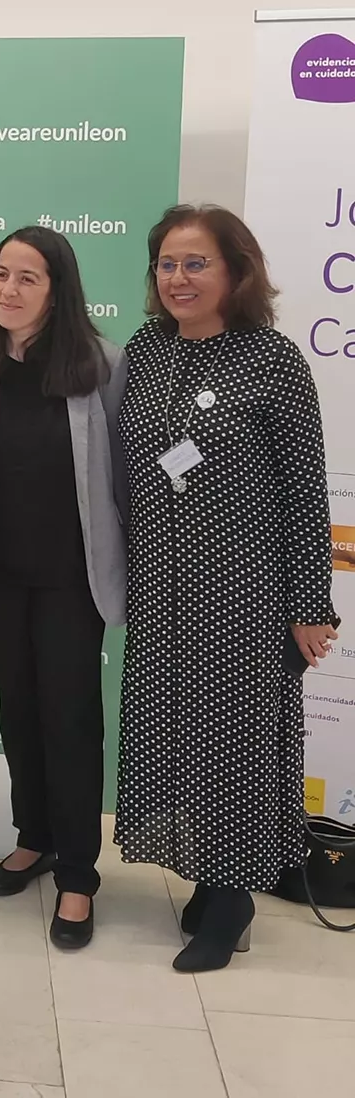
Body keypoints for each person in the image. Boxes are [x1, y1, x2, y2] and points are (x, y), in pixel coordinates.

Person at [116, 204, 338, 972]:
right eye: (167, 264)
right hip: (160, 590)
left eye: (195, 263)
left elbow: (306, 492)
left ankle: (234, 897)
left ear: (236, 271)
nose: (178, 278)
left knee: (235, 743)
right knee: (175, 735)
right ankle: (209, 878)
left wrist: (311, 606)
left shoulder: (272, 360)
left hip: (245, 592)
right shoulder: (146, 351)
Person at [0, 226, 127, 950]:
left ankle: (78, 871)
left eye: (28, 279)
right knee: (18, 711)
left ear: (58, 290)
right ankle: (35, 835)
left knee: (70, 719)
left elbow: (126, 480)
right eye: (1, 275)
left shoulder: (102, 363)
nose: (7, 291)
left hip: (74, 582)